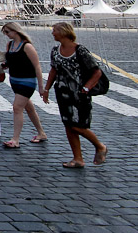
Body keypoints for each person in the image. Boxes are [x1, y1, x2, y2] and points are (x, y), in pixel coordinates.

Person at [42, 22, 108, 168]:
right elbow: (54, 71)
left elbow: (96, 72)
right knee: (68, 125)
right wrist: (46, 89)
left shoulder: (80, 50)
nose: (52, 33)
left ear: (63, 32)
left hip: (79, 94)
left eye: (54, 30)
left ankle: (100, 146)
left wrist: (86, 88)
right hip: (62, 93)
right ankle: (78, 158)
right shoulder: (55, 50)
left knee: (78, 126)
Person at [1, 22, 48, 148]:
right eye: (5, 32)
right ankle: (41, 133)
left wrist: (41, 86)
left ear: (15, 31)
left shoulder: (27, 46)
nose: (6, 35)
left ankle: (15, 139)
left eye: (7, 32)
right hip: (14, 80)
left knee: (17, 107)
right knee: (28, 107)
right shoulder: (10, 45)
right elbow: (10, 61)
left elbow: (37, 66)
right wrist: (4, 65)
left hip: (27, 81)